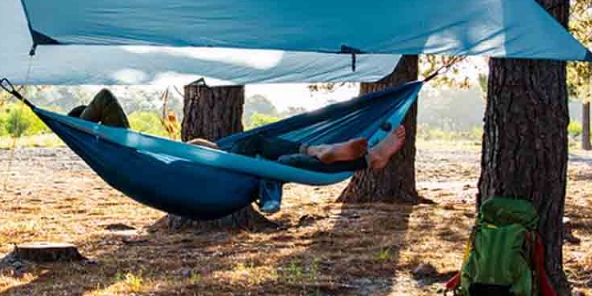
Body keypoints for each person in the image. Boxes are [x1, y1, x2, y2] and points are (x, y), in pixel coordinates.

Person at [69, 88, 406, 174]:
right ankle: (355, 158)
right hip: (208, 167)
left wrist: (199, 146)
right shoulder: (120, 145)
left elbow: (199, 149)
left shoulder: (119, 151)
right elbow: (105, 98)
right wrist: (82, 121)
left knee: (280, 160)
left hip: (210, 164)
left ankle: (342, 156)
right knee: (269, 152)